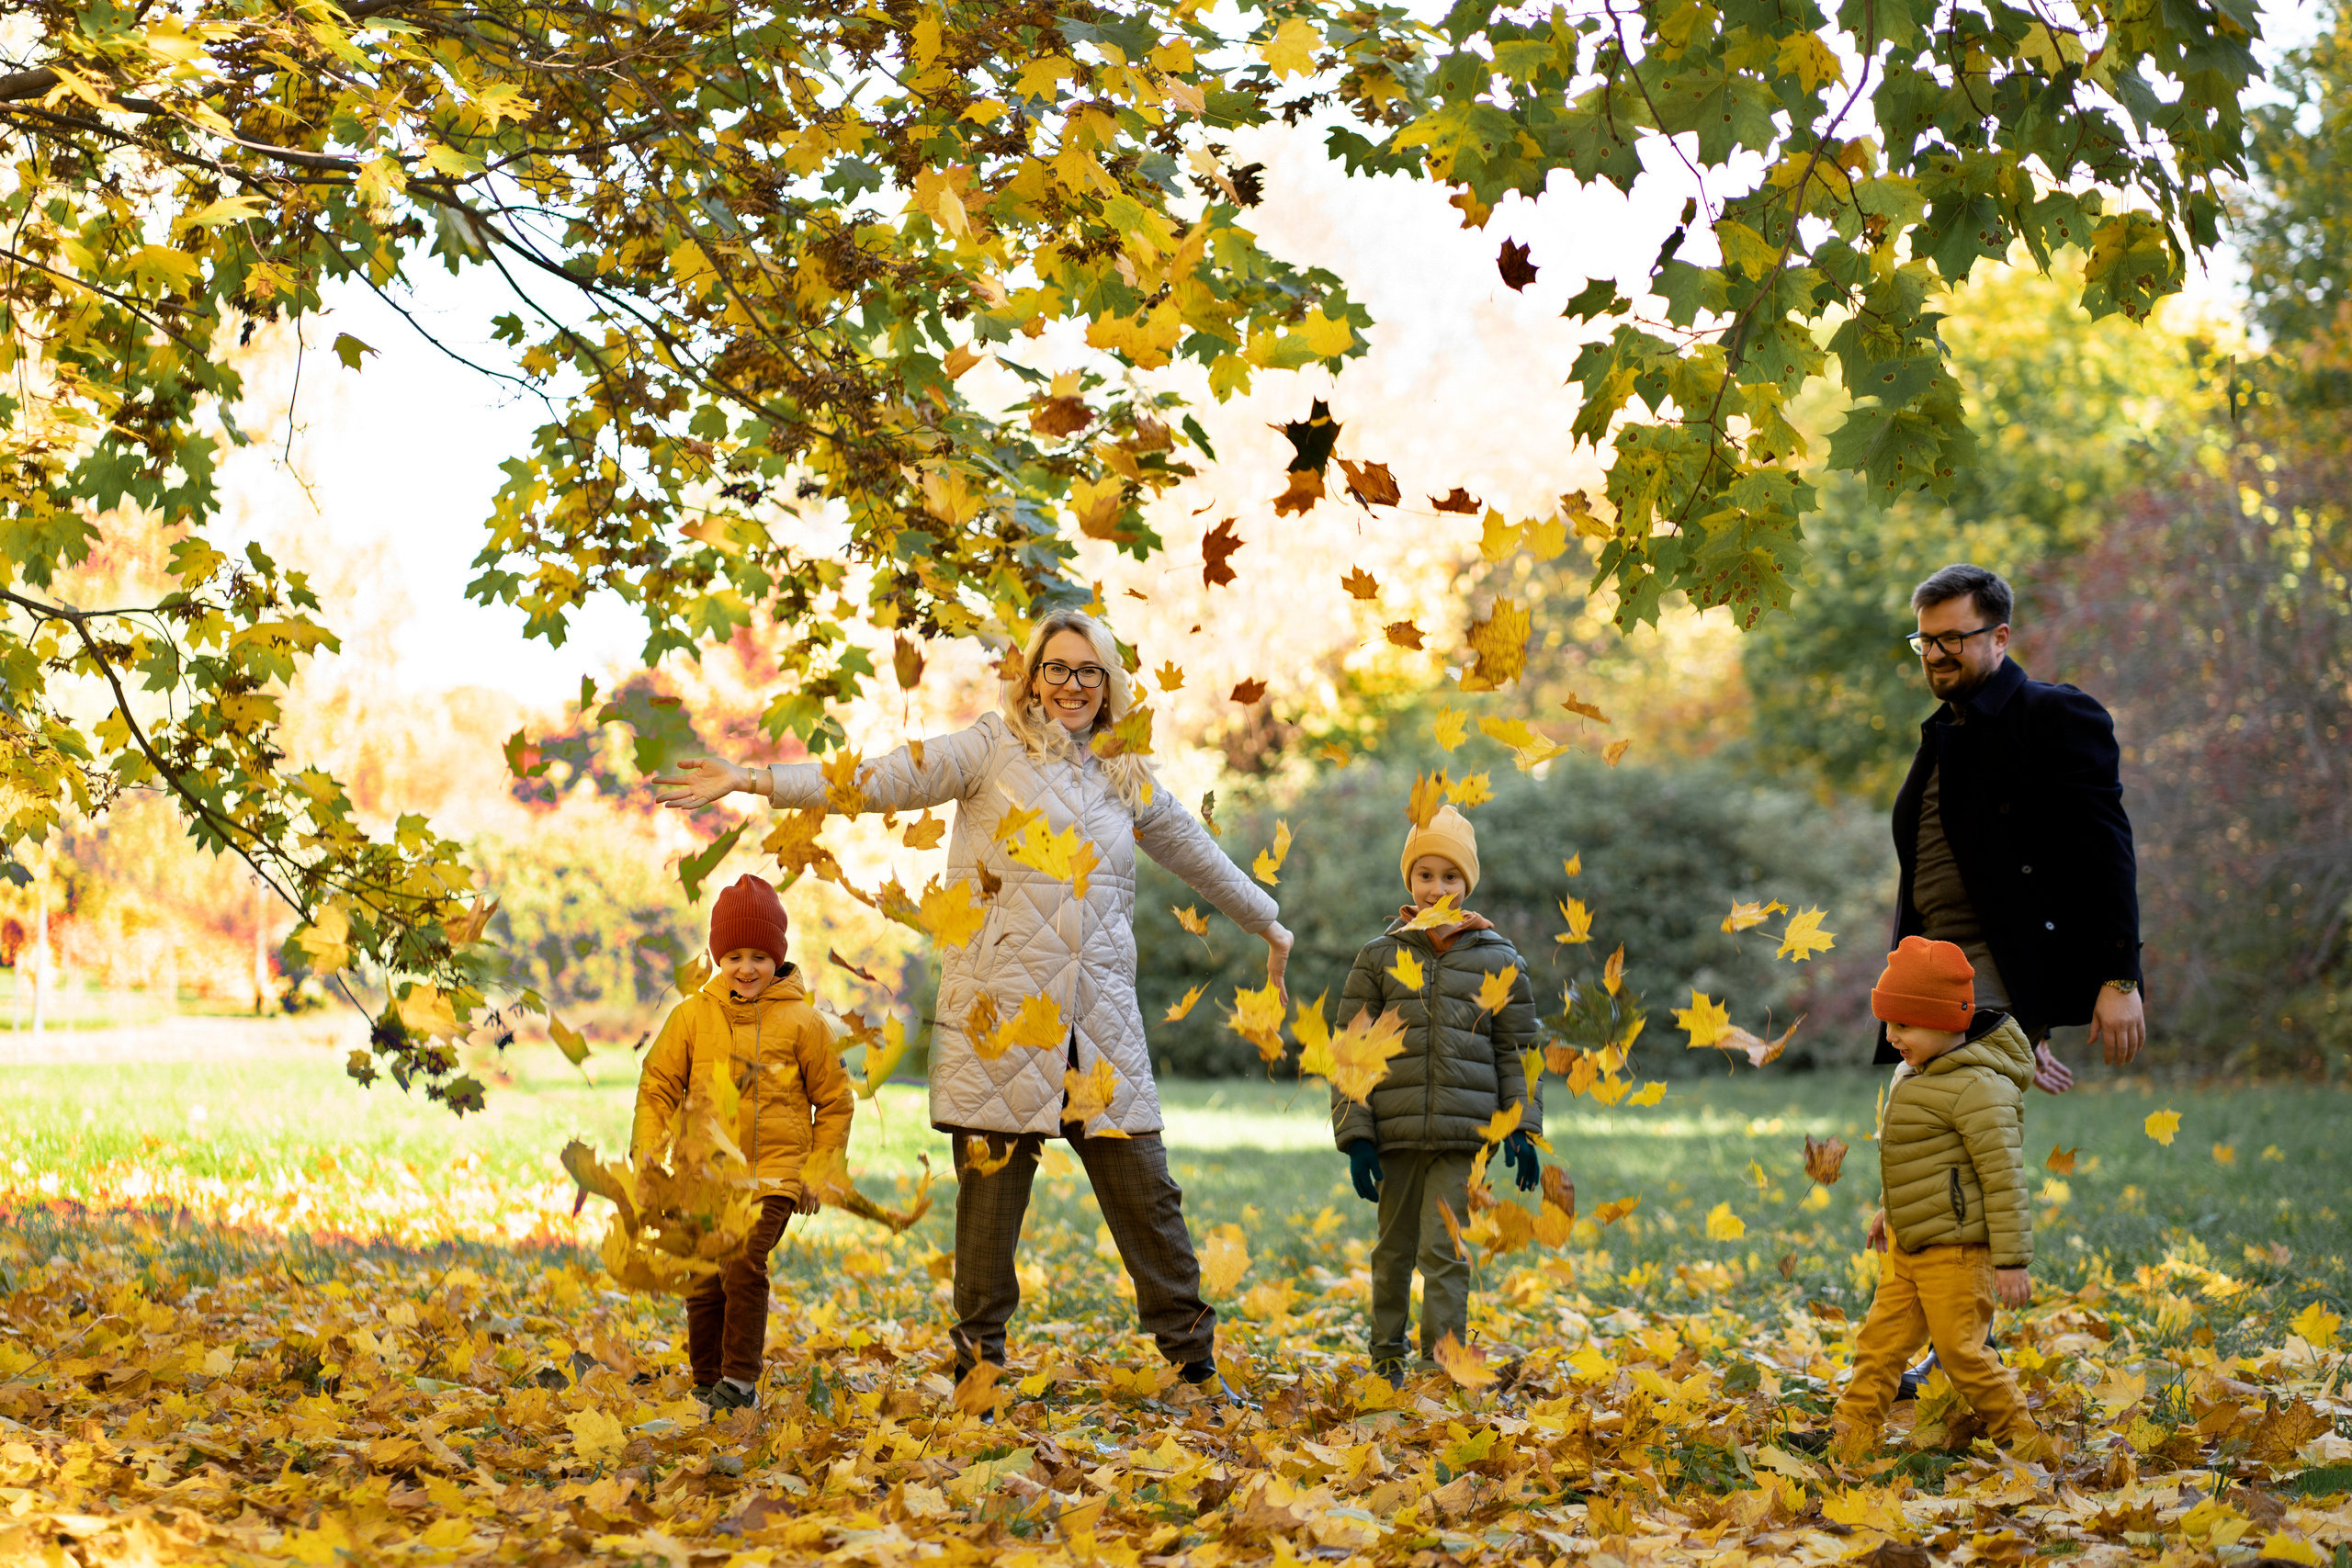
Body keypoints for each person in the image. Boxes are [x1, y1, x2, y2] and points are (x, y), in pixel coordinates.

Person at [655, 609, 1293, 1403]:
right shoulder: (992, 747)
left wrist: (1269, 922)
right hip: (1001, 1017)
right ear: (1032, 678)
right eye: (1056, 669)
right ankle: (979, 1372)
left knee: (1149, 1195)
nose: (1072, 684)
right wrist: (755, 779)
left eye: (1088, 670)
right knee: (990, 1213)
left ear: (1108, 684)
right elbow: (878, 777)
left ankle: (1193, 1365)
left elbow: (1196, 851)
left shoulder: (1123, 773)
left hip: (1098, 1024)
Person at [1882, 563, 2147, 1089]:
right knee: (1921, 1135)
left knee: (1945, 1135)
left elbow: (2104, 851)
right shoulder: (1940, 736)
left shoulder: (2053, 715)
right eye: (1926, 640)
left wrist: (2119, 977)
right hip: (1934, 976)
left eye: (1953, 638)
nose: (1935, 655)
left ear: (2000, 637)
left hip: (1988, 980)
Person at [1331, 804, 1541, 1386]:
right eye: (1425, 875)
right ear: (1410, 881)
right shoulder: (1379, 957)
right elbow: (1351, 1049)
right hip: (1393, 1135)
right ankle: (1387, 1361)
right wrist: (1356, 1135)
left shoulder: (1499, 960)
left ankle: (1439, 1368)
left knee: (1444, 1252)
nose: (1436, 888)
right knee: (1394, 1252)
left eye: (1450, 877)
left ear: (1467, 883)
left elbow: (1517, 1050)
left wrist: (1521, 1128)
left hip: (1463, 1134)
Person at [1814, 937, 2043, 1458]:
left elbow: (2003, 1177)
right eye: (1888, 1024)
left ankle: (2026, 1445)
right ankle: (1849, 1440)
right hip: (1908, 1245)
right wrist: (1888, 1210)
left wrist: (2010, 1261)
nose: (1893, 1037)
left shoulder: (1980, 1087)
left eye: (1905, 1026)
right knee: (1879, 1347)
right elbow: (1917, 1162)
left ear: (1946, 1022)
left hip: (1959, 1252)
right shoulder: (1916, 1073)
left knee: (1961, 1353)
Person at [632, 874, 853, 1410]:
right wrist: (649, 1152)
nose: (747, 968)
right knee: (705, 1275)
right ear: (717, 957)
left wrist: (817, 1173)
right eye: (734, 955)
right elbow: (658, 1083)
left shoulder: (805, 1023)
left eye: (759, 955)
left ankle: (740, 1383)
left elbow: (835, 1101)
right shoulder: (691, 1017)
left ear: (778, 956)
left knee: (742, 1262)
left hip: (775, 1174)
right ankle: (707, 1384)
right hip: (705, 1176)